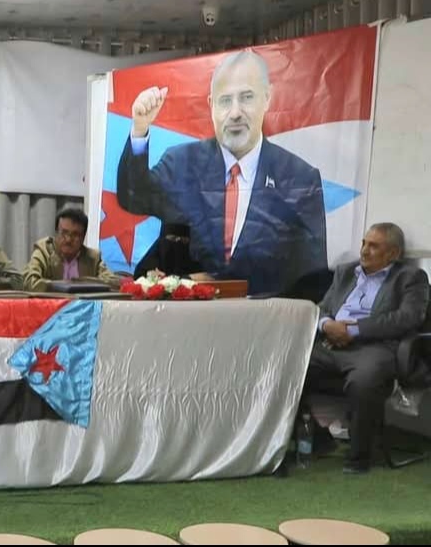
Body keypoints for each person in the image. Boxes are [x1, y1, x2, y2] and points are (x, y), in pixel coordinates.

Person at [116, 50, 326, 296]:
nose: (235, 113)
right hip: (190, 316)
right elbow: (133, 196)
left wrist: (219, 283)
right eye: (225, 100)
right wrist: (140, 129)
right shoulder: (182, 163)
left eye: (246, 97)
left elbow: (312, 280)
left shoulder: (300, 179)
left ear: (267, 98)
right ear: (211, 105)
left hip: (264, 315)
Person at [305, 223, 429, 474]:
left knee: (364, 380)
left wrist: (354, 330)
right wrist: (327, 324)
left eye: (373, 246)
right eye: (364, 243)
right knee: (288, 367)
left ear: (393, 254)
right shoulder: (345, 272)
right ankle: (318, 439)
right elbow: (323, 307)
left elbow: (408, 318)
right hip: (330, 343)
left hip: (375, 347)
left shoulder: (410, 277)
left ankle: (359, 457)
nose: (364, 250)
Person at [23, 208, 121, 292]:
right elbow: (29, 282)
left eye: (75, 235)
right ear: (56, 233)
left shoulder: (93, 257)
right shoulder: (44, 251)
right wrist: (62, 286)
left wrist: (82, 283)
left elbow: (114, 282)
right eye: (64, 233)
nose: (69, 240)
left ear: (83, 237)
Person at [133, 222, 206, 279]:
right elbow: (139, 277)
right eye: (173, 239)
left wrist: (169, 278)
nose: (178, 244)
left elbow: (205, 277)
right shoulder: (148, 265)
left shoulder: (193, 264)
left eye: (183, 241)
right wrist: (150, 276)